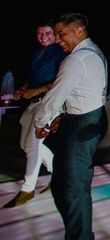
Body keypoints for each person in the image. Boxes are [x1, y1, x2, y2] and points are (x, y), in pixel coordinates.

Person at [33, 13, 108, 240]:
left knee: (72, 188)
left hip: (82, 126)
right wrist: (63, 116)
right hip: (87, 118)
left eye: (61, 34)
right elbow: (83, 92)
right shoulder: (95, 52)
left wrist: (41, 122)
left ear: (78, 31)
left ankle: (80, 236)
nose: (57, 39)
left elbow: (54, 97)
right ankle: (79, 233)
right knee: (63, 185)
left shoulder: (76, 59)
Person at [3, 20, 66, 208]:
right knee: (25, 144)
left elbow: (61, 81)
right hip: (33, 102)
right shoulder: (38, 52)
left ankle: (27, 189)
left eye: (47, 33)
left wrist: (37, 90)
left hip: (48, 102)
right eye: (40, 33)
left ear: (55, 35)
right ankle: (59, 175)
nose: (43, 36)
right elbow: (33, 79)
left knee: (33, 145)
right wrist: (23, 89)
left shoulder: (60, 52)